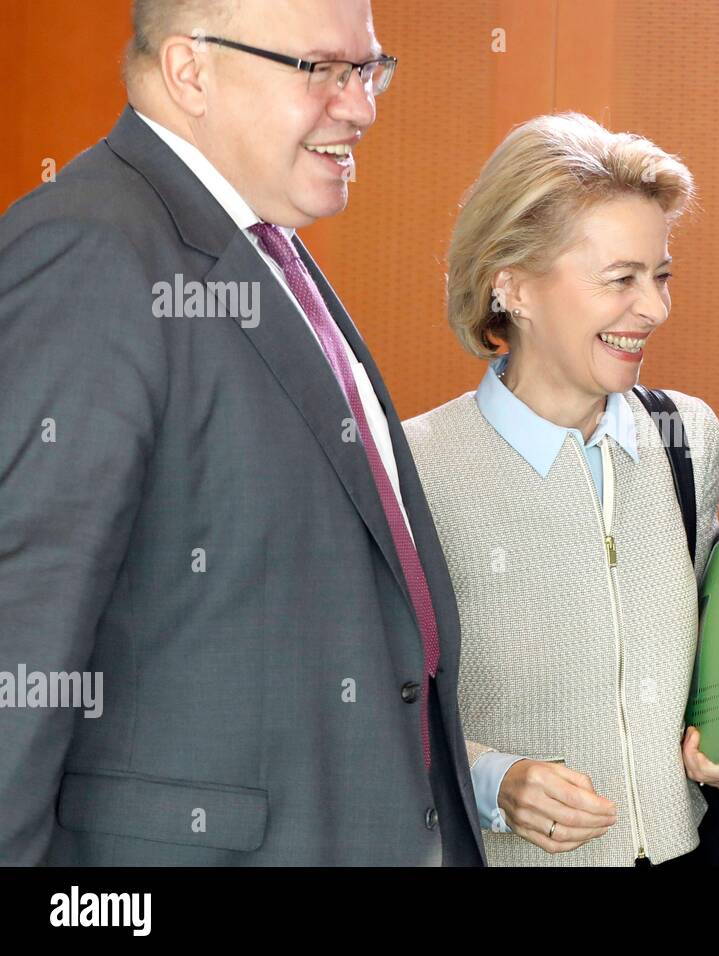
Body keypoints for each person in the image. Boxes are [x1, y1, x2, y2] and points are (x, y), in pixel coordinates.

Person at [0, 0, 483, 865]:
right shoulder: (91, 251)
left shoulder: (266, 250)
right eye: (324, 70)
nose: (363, 105)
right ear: (191, 71)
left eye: (370, 68)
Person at [403, 112, 719, 866]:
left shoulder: (687, 435)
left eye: (661, 275)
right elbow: (363, 704)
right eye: (622, 280)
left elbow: (714, 659)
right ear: (512, 285)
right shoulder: (414, 466)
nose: (655, 308)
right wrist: (493, 779)